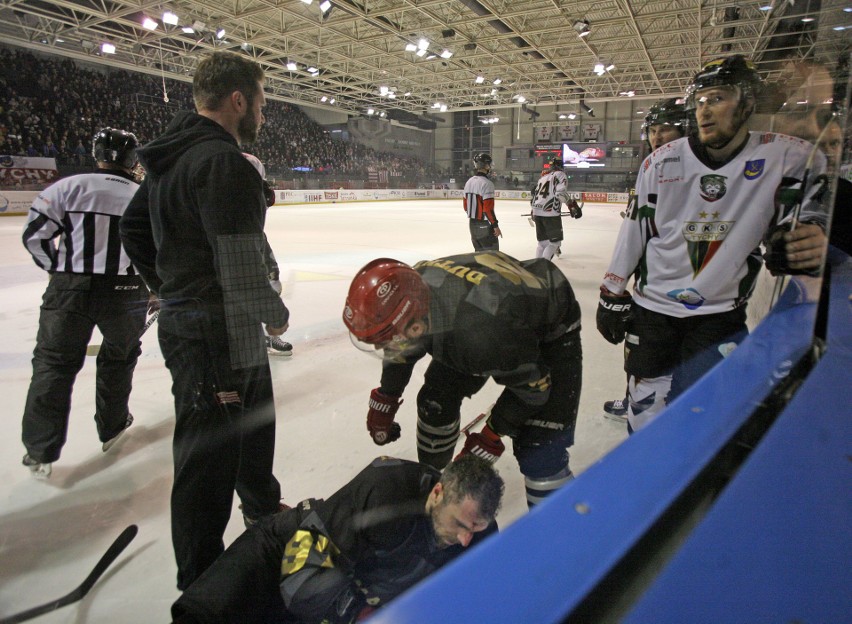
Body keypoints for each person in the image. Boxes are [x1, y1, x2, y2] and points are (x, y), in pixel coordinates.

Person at [119, 51, 289, 591]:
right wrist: (274, 313)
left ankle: (263, 511)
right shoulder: (220, 163)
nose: (262, 114)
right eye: (260, 103)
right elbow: (241, 269)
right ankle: (201, 579)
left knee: (254, 425)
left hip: (218, 323)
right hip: (211, 328)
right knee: (207, 460)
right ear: (238, 100)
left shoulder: (176, 159)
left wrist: (168, 286)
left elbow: (133, 228)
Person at [596, 55, 828, 433]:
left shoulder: (788, 156)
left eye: (717, 98)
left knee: (705, 411)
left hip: (720, 315)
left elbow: (809, 207)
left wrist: (810, 231)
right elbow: (636, 231)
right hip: (653, 311)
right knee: (644, 402)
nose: (704, 110)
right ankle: (650, 469)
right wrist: (612, 292)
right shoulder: (660, 163)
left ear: (748, 104)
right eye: (700, 101)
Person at [343, 251, 582, 508]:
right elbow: (403, 344)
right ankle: (431, 478)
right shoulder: (412, 287)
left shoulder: (481, 337)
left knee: (539, 449)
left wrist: (492, 434)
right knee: (435, 401)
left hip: (547, 324)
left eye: (385, 341)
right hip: (483, 313)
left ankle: (563, 532)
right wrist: (387, 395)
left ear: (416, 327)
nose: (384, 349)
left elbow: (534, 388)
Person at [170, 454, 503, 624]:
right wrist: (358, 614)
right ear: (437, 492)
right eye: (459, 524)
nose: (464, 540)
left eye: (475, 529)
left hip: (344, 590)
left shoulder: (480, 537)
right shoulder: (386, 491)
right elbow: (301, 575)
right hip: (284, 556)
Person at [20, 127, 149, 480]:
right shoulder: (145, 195)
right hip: (126, 291)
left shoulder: (67, 187)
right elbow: (158, 249)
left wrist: (58, 270)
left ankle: (39, 450)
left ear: (97, 155)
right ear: (131, 160)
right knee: (119, 358)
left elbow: (36, 236)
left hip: (70, 289)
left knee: (53, 363)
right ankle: (112, 426)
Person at [602, 97, 692, 424]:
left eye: (665, 128)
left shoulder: (678, 165)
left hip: (678, 286)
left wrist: (613, 286)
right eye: (652, 130)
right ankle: (632, 398)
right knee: (640, 356)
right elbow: (638, 228)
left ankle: (651, 406)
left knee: (660, 359)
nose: (657, 137)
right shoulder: (654, 165)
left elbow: (637, 230)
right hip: (654, 282)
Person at [242, 152, 293, 356]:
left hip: (255, 238)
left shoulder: (256, 181)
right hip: (238, 242)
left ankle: (271, 336)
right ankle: (254, 335)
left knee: (273, 281)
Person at [529, 157, 582, 260]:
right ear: (561, 166)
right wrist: (572, 206)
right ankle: (544, 269)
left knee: (542, 243)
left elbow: (535, 195)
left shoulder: (543, 177)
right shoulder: (560, 175)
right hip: (550, 213)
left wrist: (533, 211)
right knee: (555, 243)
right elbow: (560, 193)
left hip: (537, 211)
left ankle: (536, 269)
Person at [462, 153, 501, 250]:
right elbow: (488, 209)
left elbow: (465, 206)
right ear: (487, 165)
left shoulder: (469, 182)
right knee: (492, 257)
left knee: (479, 257)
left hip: (472, 225)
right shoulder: (487, 184)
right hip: (485, 225)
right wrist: (495, 225)